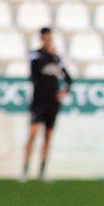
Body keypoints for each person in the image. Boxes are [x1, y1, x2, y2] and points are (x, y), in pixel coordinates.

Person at [22, 27, 73, 182]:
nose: (49, 39)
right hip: (38, 101)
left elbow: (69, 79)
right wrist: (50, 55)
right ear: (42, 38)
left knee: (48, 137)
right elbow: (33, 71)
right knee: (33, 133)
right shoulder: (36, 55)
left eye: (50, 37)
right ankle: (25, 170)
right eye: (46, 37)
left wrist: (64, 91)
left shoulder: (57, 58)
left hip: (52, 102)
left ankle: (41, 172)